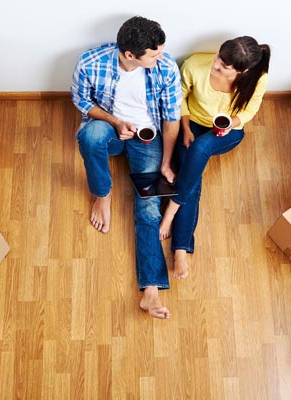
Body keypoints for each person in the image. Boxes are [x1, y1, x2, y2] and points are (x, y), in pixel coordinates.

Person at [71, 16, 181, 319]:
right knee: (90, 136)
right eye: (154, 54)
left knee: (148, 208)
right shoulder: (91, 62)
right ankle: (101, 194)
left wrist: (166, 161)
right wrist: (115, 122)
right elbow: (80, 101)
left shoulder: (166, 68)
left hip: (148, 137)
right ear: (130, 54)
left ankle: (150, 290)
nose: (162, 57)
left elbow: (171, 118)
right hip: (112, 130)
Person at [158, 36, 270, 279]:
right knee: (193, 174)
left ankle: (170, 213)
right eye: (218, 58)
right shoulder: (195, 65)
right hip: (192, 126)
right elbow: (181, 100)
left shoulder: (257, 78)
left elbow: (251, 110)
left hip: (225, 132)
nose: (216, 65)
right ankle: (180, 249)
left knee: (199, 150)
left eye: (223, 66)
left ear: (244, 70)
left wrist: (233, 123)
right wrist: (186, 129)